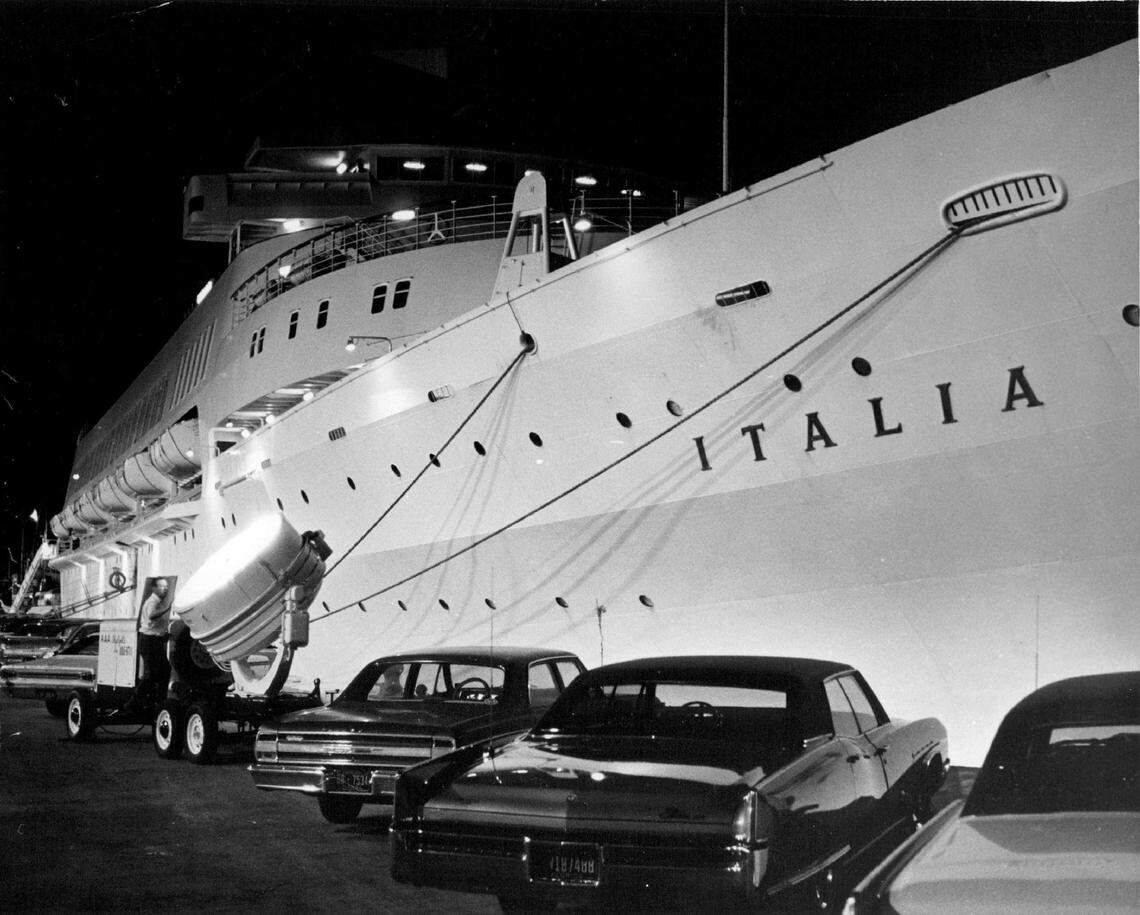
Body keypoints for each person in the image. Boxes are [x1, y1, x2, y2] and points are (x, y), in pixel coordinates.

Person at [137, 578, 171, 704]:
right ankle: (134, 702)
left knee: (163, 671)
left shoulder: (157, 602)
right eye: (162, 586)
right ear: (154, 588)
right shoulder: (153, 602)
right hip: (149, 641)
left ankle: (158, 701)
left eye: (166, 587)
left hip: (153, 641)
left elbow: (154, 624)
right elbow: (152, 615)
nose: (165, 589)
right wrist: (167, 609)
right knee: (153, 674)